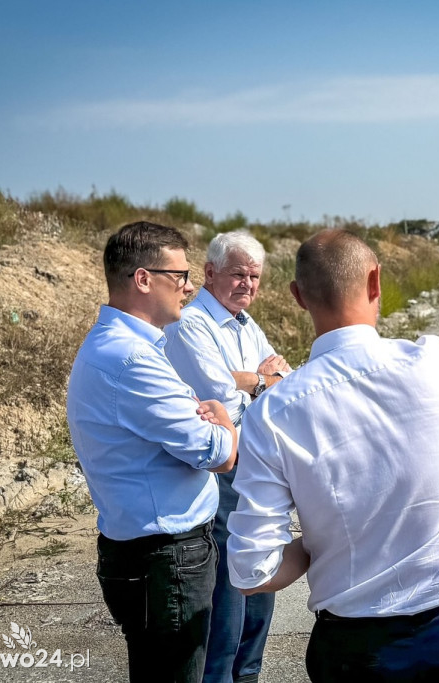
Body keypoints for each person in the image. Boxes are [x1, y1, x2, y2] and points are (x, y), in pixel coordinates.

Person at [223, 229, 439, 682]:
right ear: (376, 282)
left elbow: (252, 571)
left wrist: (323, 542)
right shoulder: (435, 364)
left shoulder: (271, 414)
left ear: (297, 296)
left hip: (356, 653)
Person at [67, 221, 238, 683]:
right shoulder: (133, 360)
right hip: (167, 559)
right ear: (144, 279)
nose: (189, 287)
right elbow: (218, 453)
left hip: (147, 554)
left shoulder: (117, 347)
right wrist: (223, 417)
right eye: (179, 276)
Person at [164, 230, 290, 683]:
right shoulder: (191, 323)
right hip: (223, 473)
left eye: (254, 276)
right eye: (238, 274)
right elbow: (221, 398)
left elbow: (281, 380)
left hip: (256, 468)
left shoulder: (246, 325)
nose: (247, 284)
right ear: (210, 273)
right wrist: (256, 382)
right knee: (229, 598)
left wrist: (253, 381)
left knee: (260, 589)